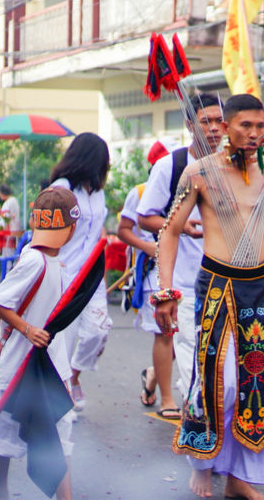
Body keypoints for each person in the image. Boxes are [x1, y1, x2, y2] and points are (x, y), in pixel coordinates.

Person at [154, 94, 264, 500]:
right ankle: (203, 463)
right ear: (225, 128)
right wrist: (165, 290)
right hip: (216, 284)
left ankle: (239, 478)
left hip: (259, 285)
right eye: (245, 126)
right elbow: (170, 231)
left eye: (260, 127)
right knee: (218, 381)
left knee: (257, 382)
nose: (253, 134)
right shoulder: (200, 173)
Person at [0, 187, 80, 500]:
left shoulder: (56, 262)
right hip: (20, 367)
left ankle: (65, 498)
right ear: (72, 228)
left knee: (61, 432)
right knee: (6, 434)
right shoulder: (34, 261)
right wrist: (27, 329)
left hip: (54, 367)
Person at [138, 95, 224, 411]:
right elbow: (146, 217)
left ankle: (154, 378)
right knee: (175, 340)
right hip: (181, 277)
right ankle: (173, 400)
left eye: (219, 121)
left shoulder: (234, 165)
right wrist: (182, 224)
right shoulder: (171, 166)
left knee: (213, 352)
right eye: (206, 121)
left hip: (221, 276)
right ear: (190, 125)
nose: (214, 128)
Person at [49, 132, 110, 409]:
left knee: (98, 330)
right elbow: (44, 227)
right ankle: (62, 394)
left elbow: (100, 231)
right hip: (63, 273)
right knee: (64, 337)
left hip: (92, 276)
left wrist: (103, 268)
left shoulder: (98, 192)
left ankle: (74, 376)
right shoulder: (62, 188)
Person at [116, 140, 177, 417]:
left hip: (188, 271)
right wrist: (149, 247)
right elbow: (124, 230)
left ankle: (153, 376)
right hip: (153, 270)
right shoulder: (139, 192)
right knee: (165, 332)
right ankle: (167, 398)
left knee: (187, 333)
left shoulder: (192, 183)